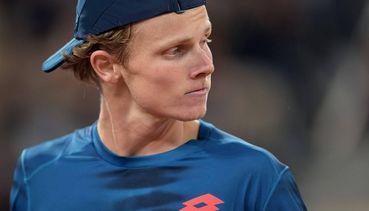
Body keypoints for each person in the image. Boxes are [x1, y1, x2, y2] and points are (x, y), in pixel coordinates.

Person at [10, 0, 307, 210]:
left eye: (206, 40)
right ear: (106, 66)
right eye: (176, 51)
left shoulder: (256, 179)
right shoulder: (38, 175)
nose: (207, 65)